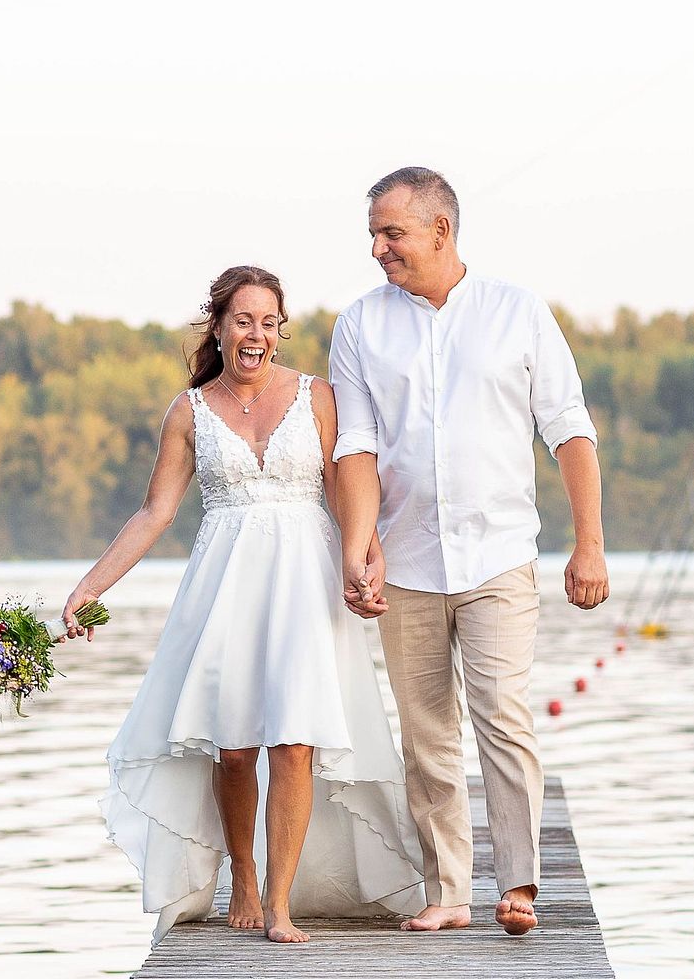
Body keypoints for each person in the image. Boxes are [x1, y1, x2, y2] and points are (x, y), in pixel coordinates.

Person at [62, 265, 423, 946]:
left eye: (268, 322)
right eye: (243, 321)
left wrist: (366, 557)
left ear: (279, 332)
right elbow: (153, 513)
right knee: (232, 751)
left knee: (294, 741)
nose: (256, 334)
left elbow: (350, 494)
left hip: (303, 580)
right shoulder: (188, 411)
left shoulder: (319, 397)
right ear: (219, 328)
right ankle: (244, 874)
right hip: (224, 583)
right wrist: (90, 586)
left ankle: (280, 902)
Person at [330, 167, 609, 936]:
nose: (380, 250)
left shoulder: (517, 313)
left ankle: (517, 883)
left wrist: (589, 545)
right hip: (406, 560)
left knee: (503, 716)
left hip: (498, 558)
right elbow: (354, 443)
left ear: (440, 230)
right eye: (375, 237)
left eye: (393, 234)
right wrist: (359, 546)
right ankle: (448, 889)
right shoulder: (359, 325)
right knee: (425, 734)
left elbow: (570, 429)